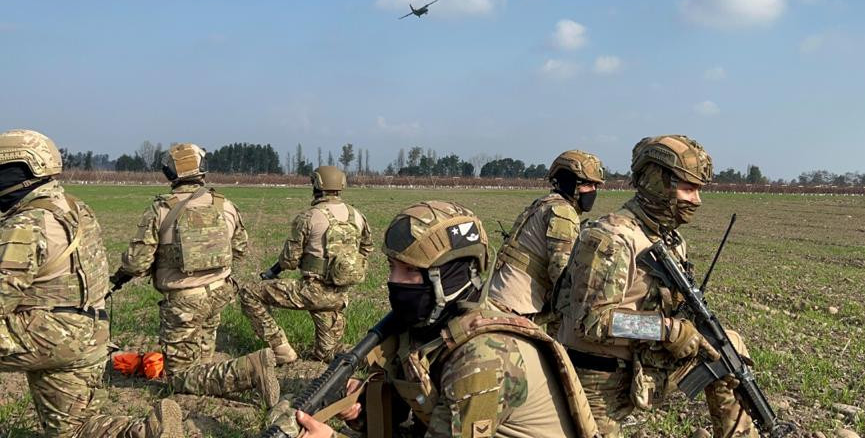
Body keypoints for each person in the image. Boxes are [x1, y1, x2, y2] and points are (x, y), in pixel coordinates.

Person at [267, 200, 600, 438]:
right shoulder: (424, 330)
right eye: (392, 267)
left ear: (453, 279)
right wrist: (358, 409)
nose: (394, 281)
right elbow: (401, 415)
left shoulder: (485, 359)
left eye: (410, 271)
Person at [555, 135, 758, 438]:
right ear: (657, 182)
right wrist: (668, 330)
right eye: (688, 188)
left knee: (727, 349)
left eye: (698, 190)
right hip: (598, 382)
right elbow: (591, 321)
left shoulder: (669, 241)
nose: (696, 200)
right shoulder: (611, 237)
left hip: (644, 364)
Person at [0, 129, 183, 438]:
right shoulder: (76, 209)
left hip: (50, 335)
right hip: (91, 333)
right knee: (72, 430)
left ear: (19, 170)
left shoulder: (24, 224)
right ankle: (149, 433)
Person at [110, 143, 279, 407]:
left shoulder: (161, 210)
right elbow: (240, 248)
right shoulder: (225, 205)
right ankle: (207, 384)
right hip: (220, 291)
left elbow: (137, 262)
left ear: (169, 173)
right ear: (203, 170)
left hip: (184, 302)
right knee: (202, 359)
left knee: (177, 378)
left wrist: (120, 276)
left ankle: (250, 369)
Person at [240, 165, 373, 363]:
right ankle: (373, 358)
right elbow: (366, 249)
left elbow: (289, 260)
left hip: (312, 292)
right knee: (326, 353)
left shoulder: (309, 217)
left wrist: (272, 272)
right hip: (339, 295)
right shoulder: (358, 216)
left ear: (317, 185)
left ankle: (280, 348)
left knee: (249, 292)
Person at [487, 149, 604, 334]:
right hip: (515, 307)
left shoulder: (544, 203)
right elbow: (562, 275)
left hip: (501, 298)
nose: (593, 191)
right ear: (571, 184)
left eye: (596, 186)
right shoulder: (563, 212)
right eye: (588, 185)